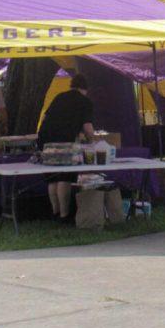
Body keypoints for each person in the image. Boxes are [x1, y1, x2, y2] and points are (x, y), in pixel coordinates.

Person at [37, 73, 96, 222]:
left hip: (46, 140)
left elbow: (45, 118)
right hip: (65, 141)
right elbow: (87, 127)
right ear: (84, 89)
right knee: (64, 177)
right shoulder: (84, 101)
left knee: (53, 177)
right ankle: (64, 215)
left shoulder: (59, 97)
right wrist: (92, 142)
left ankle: (55, 211)